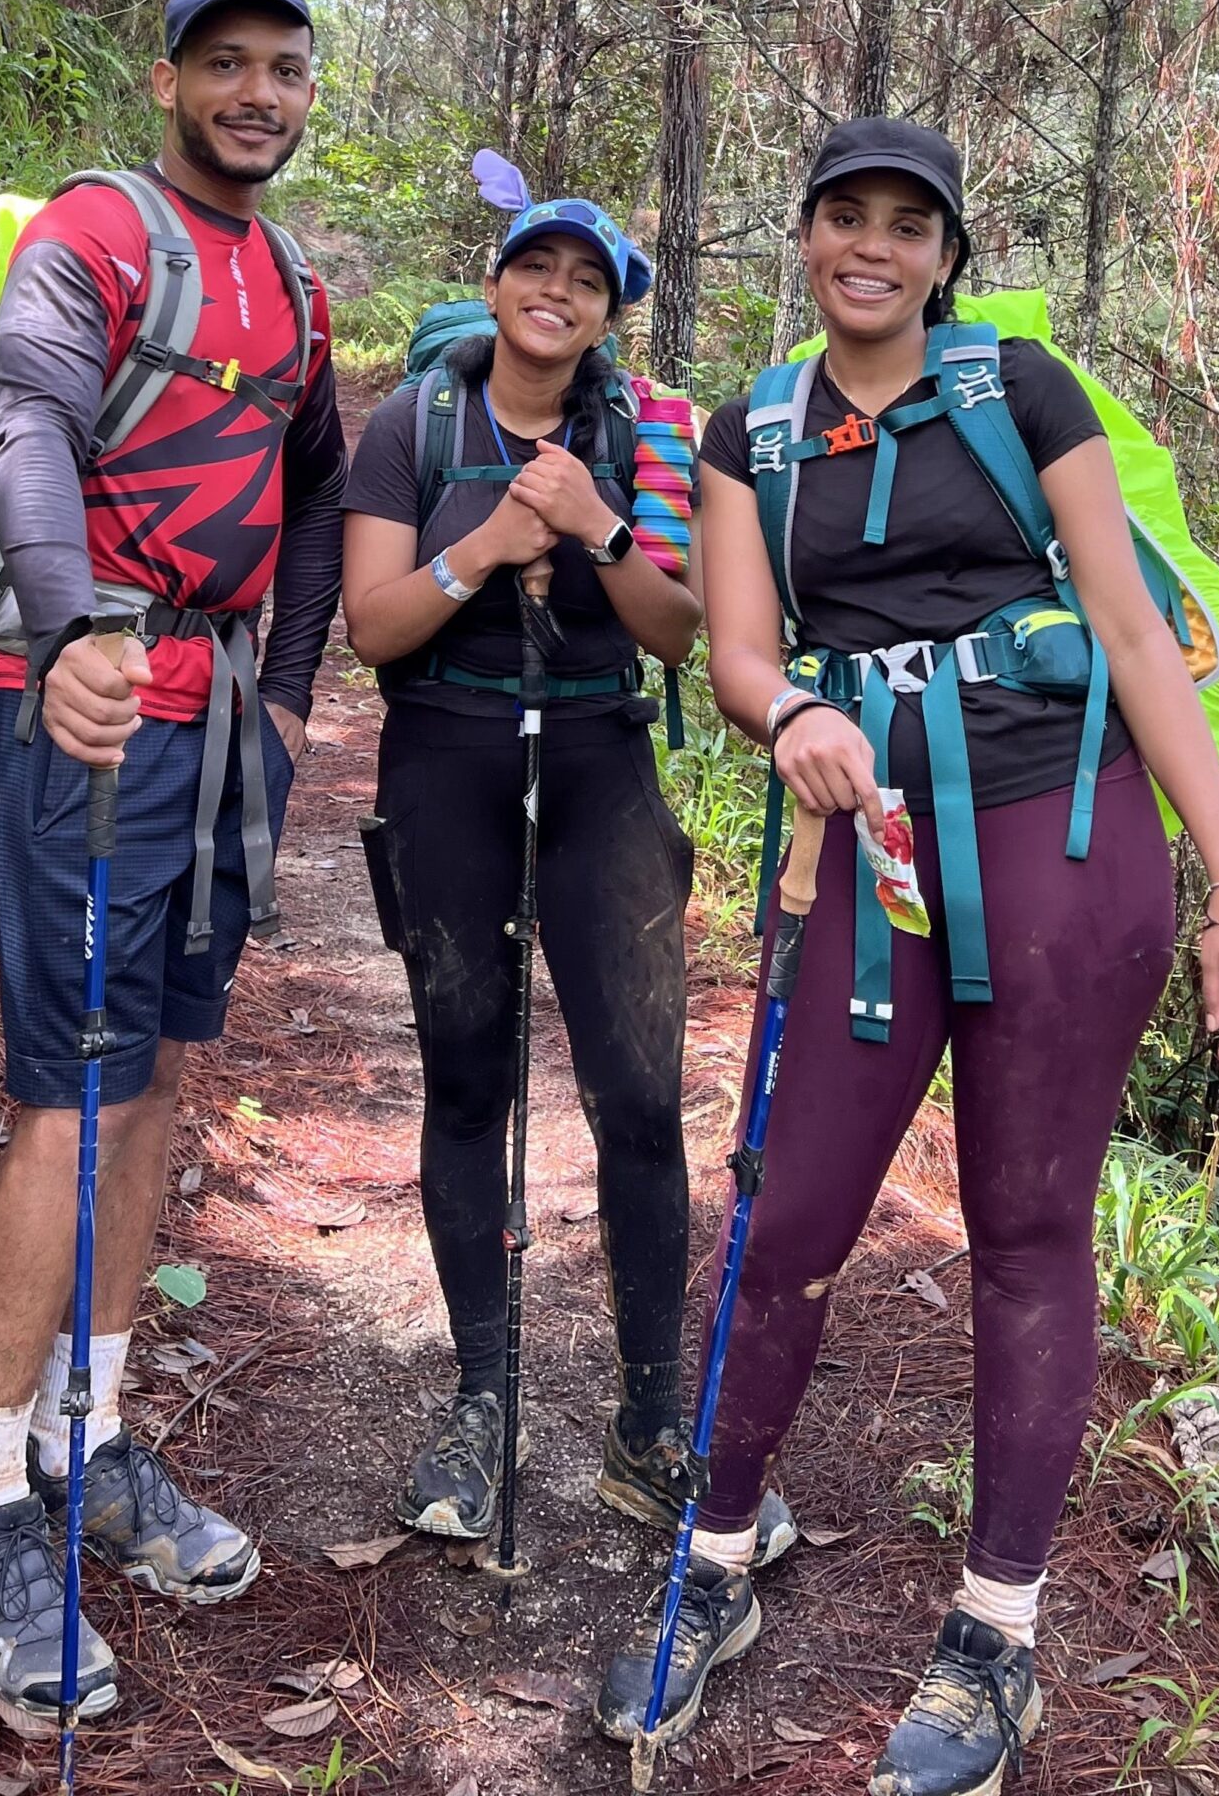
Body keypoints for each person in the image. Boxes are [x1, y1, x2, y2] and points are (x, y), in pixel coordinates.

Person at [597, 117, 1219, 1794]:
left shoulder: (1021, 393)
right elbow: (744, 653)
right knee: (789, 1212)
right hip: (873, 852)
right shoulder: (755, 427)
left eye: (910, 225)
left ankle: (997, 1632)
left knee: (1032, 1227)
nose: (875, 247)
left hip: (1068, 837)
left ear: (945, 256)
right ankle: (718, 1553)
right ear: (808, 233)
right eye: (847, 215)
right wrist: (795, 715)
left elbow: (1133, 633)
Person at [0, 0, 347, 1734]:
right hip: (70, 705)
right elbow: (28, 426)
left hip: (214, 727)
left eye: (283, 70)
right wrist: (80, 629)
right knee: (68, 1094)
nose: (255, 93)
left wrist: (293, 693)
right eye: (225, 65)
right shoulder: (100, 230)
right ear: (167, 80)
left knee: (152, 1072)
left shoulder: (298, 286)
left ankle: (89, 1434)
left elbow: (313, 496)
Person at [342, 187, 720, 1546]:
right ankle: (480, 1405)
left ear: (609, 311)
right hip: (446, 756)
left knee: (639, 1093)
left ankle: (649, 1419)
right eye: (534, 266)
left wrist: (598, 527)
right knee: (466, 1079)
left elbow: (684, 633)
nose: (555, 291)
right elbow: (370, 627)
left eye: (586, 279)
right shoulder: (415, 425)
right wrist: (491, 545)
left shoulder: (649, 433)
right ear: (498, 282)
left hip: (602, 760)